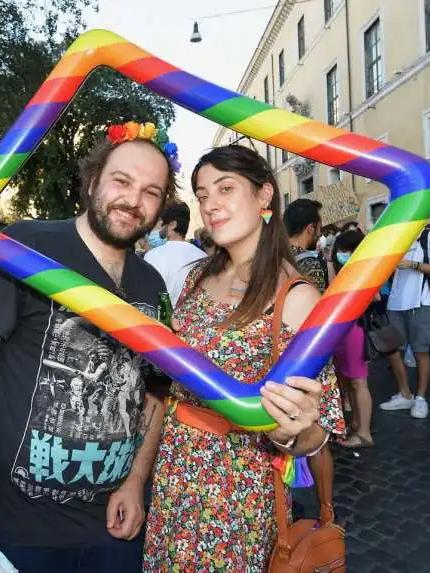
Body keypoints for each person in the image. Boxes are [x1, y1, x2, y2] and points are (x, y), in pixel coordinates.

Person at [0, 121, 179, 572]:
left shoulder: (151, 283)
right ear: (92, 182)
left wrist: (134, 481)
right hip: (17, 530)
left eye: (151, 191)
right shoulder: (25, 247)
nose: (133, 200)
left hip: (111, 528)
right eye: (121, 181)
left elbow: (155, 390)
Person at [142, 145, 345, 571]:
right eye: (201, 195)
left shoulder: (297, 296)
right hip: (173, 470)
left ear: (264, 195)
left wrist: (298, 431)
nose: (210, 203)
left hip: (235, 488)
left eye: (225, 188)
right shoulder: (197, 276)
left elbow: (317, 432)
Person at [380, 224, 430, 419]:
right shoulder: (398, 237)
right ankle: (405, 394)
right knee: (393, 351)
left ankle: (420, 398)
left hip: (420, 303)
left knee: (420, 352)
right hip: (395, 302)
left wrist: (413, 264)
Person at [331, 230, 374, 448]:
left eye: (349, 250)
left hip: (354, 330)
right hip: (339, 332)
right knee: (347, 381)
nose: (344, 254)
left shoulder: (367, 270)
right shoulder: (337, 269)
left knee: (359, 381)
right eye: (341, 250)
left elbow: (374, 297)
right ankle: (357, 424)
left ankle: (365, 433)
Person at [144, 202, 207, 306]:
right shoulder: (203, 258)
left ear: (173, 224)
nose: (158, 229)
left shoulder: (152, 256)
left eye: (162, 224)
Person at [283, 198, 328, 293]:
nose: (320, 233)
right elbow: (316, 306)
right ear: (310, 228)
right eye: (319, 227)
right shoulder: (311, 265)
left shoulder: (270, 257)